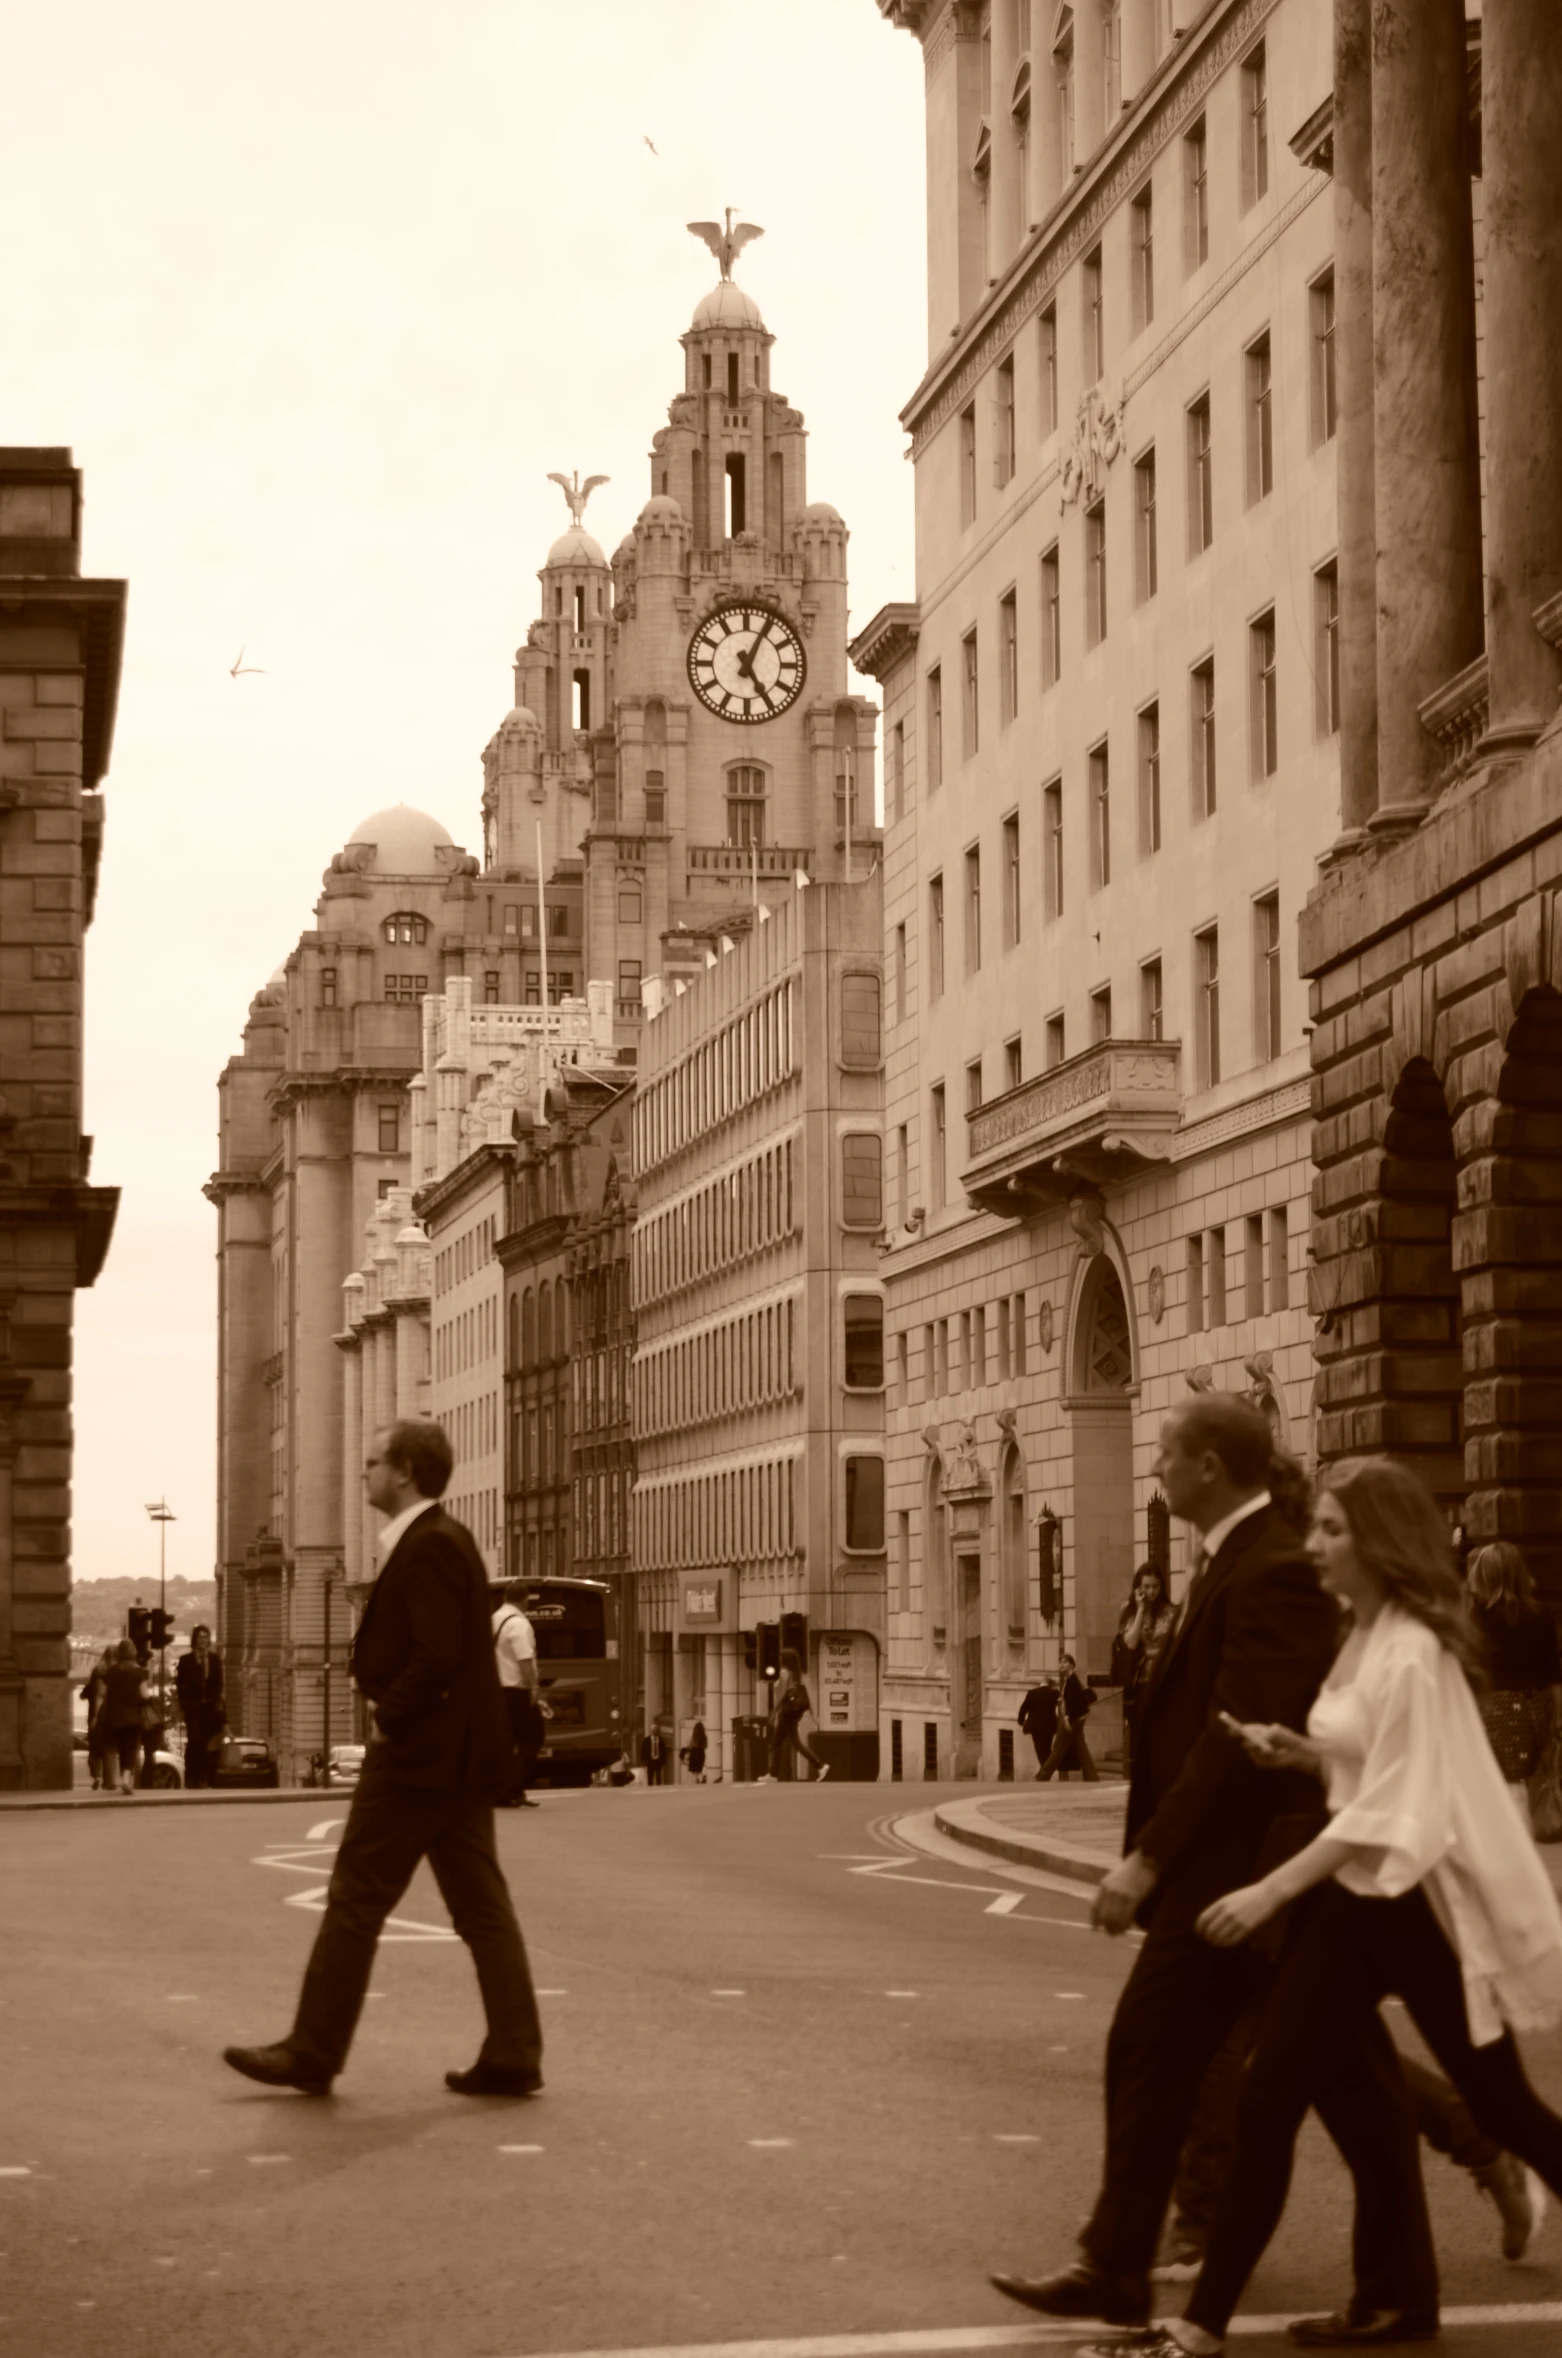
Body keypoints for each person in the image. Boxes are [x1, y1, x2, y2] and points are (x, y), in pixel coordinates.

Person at [1089, 1459, 1562, 2358]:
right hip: (1355, 1902)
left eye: (1334, 1530)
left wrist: (1270, 1887)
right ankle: (1203, 2330)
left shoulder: (1415, 1649)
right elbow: (1366, 1767)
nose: (1316, 1545)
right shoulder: (1364, 1631)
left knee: (1505, 2109)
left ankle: (1324, 2310)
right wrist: (1299, 1753)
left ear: (1381, 1542)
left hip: (1408, 1903)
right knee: (1268, 2101)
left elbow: (1398, 1807)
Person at [989, 1394, 1338, 2329]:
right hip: (1227, 1870)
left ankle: (1119, 2264)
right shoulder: (1232, 1557)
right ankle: (1126, 2261)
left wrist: (1147, 1861)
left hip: (1237, 1871)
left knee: (1155, 2046)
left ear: (1212, 1466)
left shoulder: (1270, 1569)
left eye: (1167, 1457)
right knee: (1346, 2080)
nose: (1156, 1472)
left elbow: (1227, 1742)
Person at [223, 1419, 544, 2099]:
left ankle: (313, 2049)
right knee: (482, 1909)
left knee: (355, 1899)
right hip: (455, 1758)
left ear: (403, 1472)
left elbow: (436, 1656)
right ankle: (514, 2050)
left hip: (418, 1756)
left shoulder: (429, 1546)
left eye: (371, 1464)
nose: (363, 1473)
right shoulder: (443, 1540)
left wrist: (386, 1716)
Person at [1467, 1540, 1561, 1829]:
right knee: (1528, 1780)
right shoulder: (1542, 1615)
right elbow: (1552, 1673)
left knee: (1497, 1787)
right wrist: (1557, 1717)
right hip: (1535, 1709)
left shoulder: (1475, 1618)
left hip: (1493, 1711)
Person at [1114, 1563, 1177, 1767]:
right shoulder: (1129, 1611)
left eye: (1155, 1586)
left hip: (1165, 1681)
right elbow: (1130, 1643)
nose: (1151, 1591)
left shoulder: (1171, 1611)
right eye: (1147, 1586)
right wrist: (1141, 1610)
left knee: (1165, 1734)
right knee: (1141, 1736)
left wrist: (1152, 1653)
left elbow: (1176, 1646)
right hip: (1140, 1683)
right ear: (1138, 1588)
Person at [491, 1581, 543, 1809]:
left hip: (495, 1691)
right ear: (525, 1599)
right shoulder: (520, 1624)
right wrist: (533, 1687)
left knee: (505, 1742)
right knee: (533, 1737)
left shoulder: (493, 1620)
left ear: (504, 1598)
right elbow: (524, 1659)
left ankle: (507, 1790)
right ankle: (510, 1788)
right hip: (515, 1690)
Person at [759, 1648, 830, 1783]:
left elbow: (782, 1695)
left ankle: (820, 1765)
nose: (779, 1659)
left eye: (781, 1657)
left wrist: (774, 1712)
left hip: (787, 1713)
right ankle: (773, 1774)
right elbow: (803, 1694)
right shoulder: (796, 1674)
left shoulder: (785, 1672)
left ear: (785, 1660)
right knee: (777, 1743)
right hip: (792, 1712)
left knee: (796, 1744)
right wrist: (812, 1714)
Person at [175, 1624, 226, 1790]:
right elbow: (180, 1685)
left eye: (206, 1637)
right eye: (200, 1637)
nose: (203, 1641)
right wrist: (185, 1705)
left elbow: (219, 1683)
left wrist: (216, 1702)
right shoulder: (185, 1660)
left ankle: (202, 1777)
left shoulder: (215, 1659)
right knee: (194, 1740)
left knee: (204, 1743)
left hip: (209, 1708)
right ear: (195, 1640)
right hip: (193, 1708)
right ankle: (192, 1774)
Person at [97, 1640, 150, 1796]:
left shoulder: (112, 1672)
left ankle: (123, 1778)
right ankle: (126, 1779)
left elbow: (102, 1692)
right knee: (131, 1748)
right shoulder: (139, 1673)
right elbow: (144, 1695)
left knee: (121, 1748)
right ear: (134, 1653)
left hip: (114, 1717)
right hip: (133, 1717)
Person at [1035, 1653, 1100, 1782]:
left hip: (1071, 1721)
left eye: (1064, 1662)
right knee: (1081, 1750)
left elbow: (1073, 1701)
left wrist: (1067, 1718)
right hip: (1076, 1720)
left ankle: (1042, 1776)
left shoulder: (1072, 1680)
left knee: (1058, 1749)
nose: (1061, 1664)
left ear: (1071, 1664)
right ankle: (1092, 1777)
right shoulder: (1070, 1680)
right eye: (1060, 1662)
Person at [81, 1647, 117, 1791]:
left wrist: (94, 1717)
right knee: (109, 1748)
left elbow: (93, 1696)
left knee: (95, 1748)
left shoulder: (98, 1671)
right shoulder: (112, 1672)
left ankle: (97, 1776)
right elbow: (100, 1696)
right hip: (109, 1716)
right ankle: (109, 1780)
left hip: (96, 1716)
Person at [1017, 1676, 1060, 1778]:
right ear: (1050, 1684)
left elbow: (1023, 1708)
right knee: (1047, 1748)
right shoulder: (1054, 1693)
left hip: (1035, 1726)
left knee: (1039, 1749)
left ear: (1041, 1683)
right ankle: (1044, 1771)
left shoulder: (1032, 1693)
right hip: (1050, 1725)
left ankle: (1044, 1772)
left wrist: (1021, 1721)